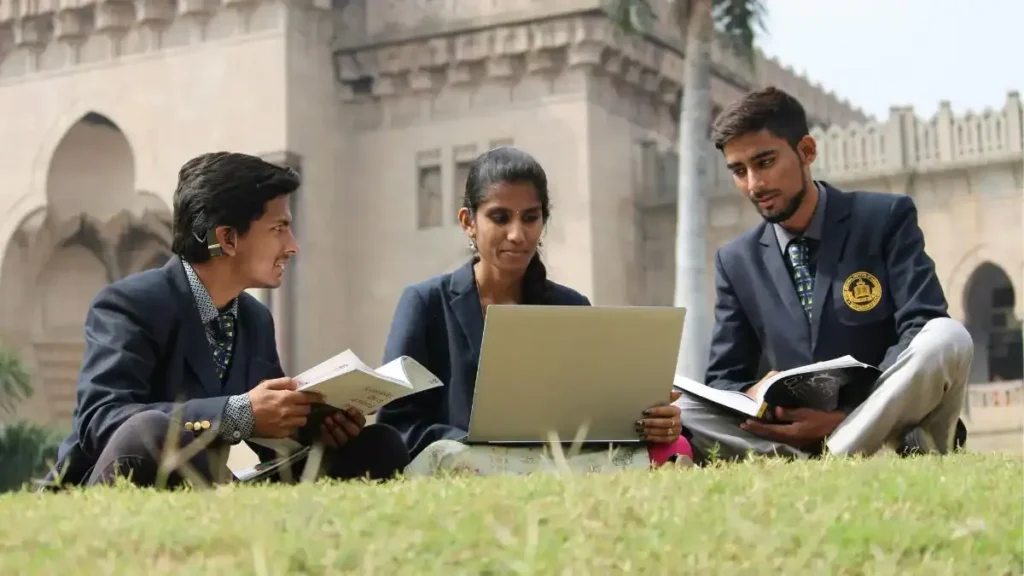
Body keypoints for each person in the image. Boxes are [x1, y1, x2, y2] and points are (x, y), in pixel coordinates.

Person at [42, 152, 409, 490]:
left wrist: (315, 426)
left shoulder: (254, 318)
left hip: (222, 485)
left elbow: (264, 438)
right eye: (279, 228)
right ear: (227, 238)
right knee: (149, 431)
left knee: (378, 444)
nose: (293, 245)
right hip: (127, 482)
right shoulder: (129, 304)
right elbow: (101, 420)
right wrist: (238, 413)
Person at [675, 87, 973, 463]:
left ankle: (841, 447)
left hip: (894, 428)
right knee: (684, 408)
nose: (753, 184)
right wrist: (755, 393)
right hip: (795, 436)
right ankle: (828, 453)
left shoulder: (884, 219)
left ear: (806, 152)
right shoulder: (737, 261)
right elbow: (724, 379)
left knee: (947, 337)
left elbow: (921, 320)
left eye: (764, 162)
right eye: (739, 171)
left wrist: (846, 414)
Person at [376, 147, 693, 475]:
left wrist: (655, 424)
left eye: (530, 217)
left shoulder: (571, 308)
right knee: (453, 456)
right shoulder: (425, 303)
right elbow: (399, 425)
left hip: (553, 457)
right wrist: (468, 442)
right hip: (462, 459)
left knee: (676, 445)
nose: (517, 234)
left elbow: (592, 419)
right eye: (500, 218)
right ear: (468, 222)